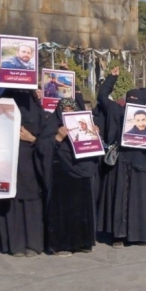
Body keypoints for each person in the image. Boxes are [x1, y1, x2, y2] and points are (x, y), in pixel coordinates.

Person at [96, 68, 146, 248]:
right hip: (121, 162)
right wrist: (112, 78)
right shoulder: (117, 110)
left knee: (139, 200)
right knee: (120, 199)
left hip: (142, 163)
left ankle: (139, 234)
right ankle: (118, 235)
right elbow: (102, 96)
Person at [37, 97, 99, 255]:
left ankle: (82, 242)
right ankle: (62, 245)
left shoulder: (83, 123)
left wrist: (94, 134)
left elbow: (93, 147)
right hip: (61, 172)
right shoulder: (52, 124)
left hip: (81, 169)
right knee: (62, 210)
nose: (68, 112)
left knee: (81, 209)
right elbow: (41, 147)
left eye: (72, 109)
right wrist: (58, 137)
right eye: (65, 109)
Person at [0, 89, 45, 257]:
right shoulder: (5, 101)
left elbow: (45, 135)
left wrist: (32, 138)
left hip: (29, 161)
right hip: (7, 161)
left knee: (31, 200)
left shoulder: (34, 105)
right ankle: (15, 245)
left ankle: (32, 243)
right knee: (11, 201)